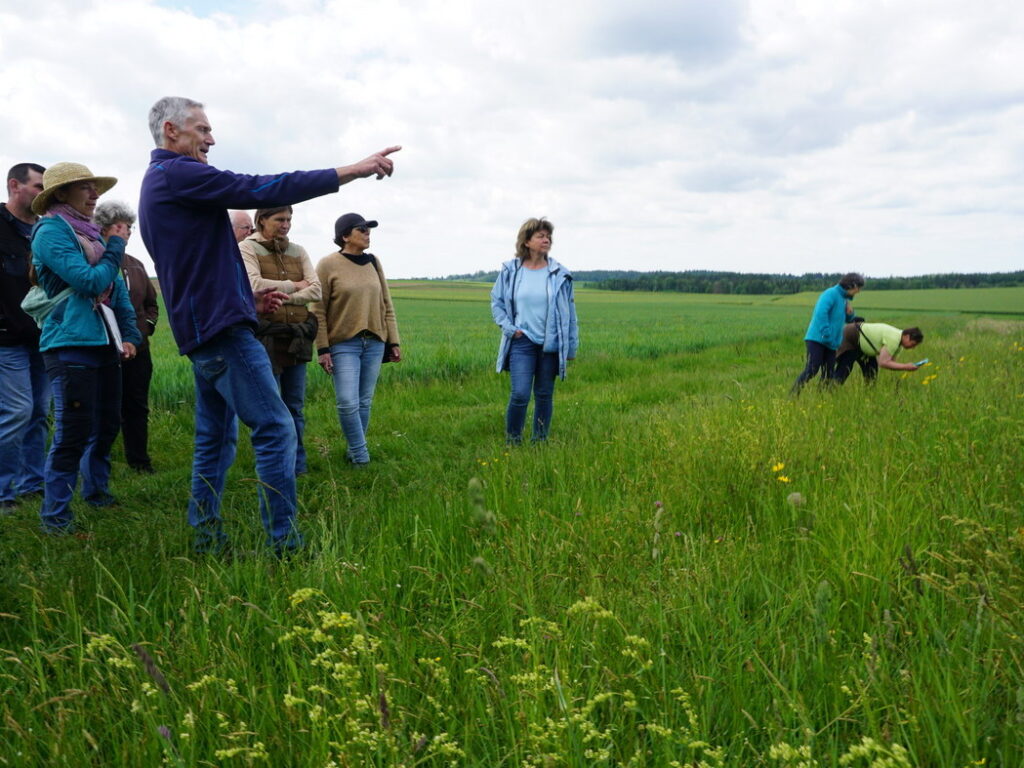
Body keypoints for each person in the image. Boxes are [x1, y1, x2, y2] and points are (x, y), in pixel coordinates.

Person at [138, 95, 399, 555]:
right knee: (277, 428)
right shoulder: (176, 173)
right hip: (222, 333)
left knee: (214, 437)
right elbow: (261, 186)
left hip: (207, 327)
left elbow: (195, 266)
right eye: (202, 129)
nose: (211, 138)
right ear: (171, 132)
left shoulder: (165, 182)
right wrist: (350, 171)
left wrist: (249, 296)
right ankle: (286, 543)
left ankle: (206, 538)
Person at [28, 163, 141, 534]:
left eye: (96, 189)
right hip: (69, 345)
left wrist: (130, 336)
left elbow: (117, 293)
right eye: (86, 189)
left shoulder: (92, 235)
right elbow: (89, 282)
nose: (95, 196)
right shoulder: (50, 232)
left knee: (107, 424)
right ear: (61, 194)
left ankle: (97, 492)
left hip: (104, 344)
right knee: (73, 431)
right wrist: (116, 246)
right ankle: (56, 516)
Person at [312, 213, 401, 466]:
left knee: (364, 402)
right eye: (361, 229)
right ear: (345, 236)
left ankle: (354, 453)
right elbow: (317, 310)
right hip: (343, 344)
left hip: (374, 342)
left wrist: (393, 342)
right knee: (347, 402)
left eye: (368, 229)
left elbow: (386, 304)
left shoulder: (373, 261)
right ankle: (361, 455)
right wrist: (322, 348)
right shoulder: (328, 265)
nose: (367, 233)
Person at [240, 206, 320, 475]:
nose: (285, 225)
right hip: (266, 338)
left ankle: (298, 466)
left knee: (295, 405)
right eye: (279, 219)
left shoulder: (298, 250)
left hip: (296, 336)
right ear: (262, 220)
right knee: (271, 408)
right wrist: (295, 286)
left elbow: (316, 290)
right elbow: (253, 287)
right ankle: (275, 465)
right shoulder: (247, 249)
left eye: (289, 219)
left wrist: (284, 294)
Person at [490, 217, 578, 444]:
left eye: (548, 236)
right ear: (527, 241)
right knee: (520, 394)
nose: (546, 239)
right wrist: (510, 329)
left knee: (544, 395)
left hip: (551, 343)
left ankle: (539, 441)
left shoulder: (560, 274)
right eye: (540, 236)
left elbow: (570, 313)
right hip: (522, 341)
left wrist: (571, 347)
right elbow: (496, 302)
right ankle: (513, 441)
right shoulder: (511, 271)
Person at [94, 201, 159, 473]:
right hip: (104, 349)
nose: (127, 232)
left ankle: (139, 461)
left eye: (129, 227)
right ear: (103, 229)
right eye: (120, 226)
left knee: (137, 406)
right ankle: (99, 463)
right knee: (103, 408)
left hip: (139, 350)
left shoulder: (137, 264)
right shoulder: (95, 262)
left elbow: (152, 305)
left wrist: (145, 330)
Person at [1, 163, 49, 514]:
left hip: (42, 337)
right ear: (14, 185)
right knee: (17, 411)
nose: (42, 194)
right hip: (6, 338)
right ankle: (4, 490)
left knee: (38, 412)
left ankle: (34, 483)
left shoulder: (45, 231)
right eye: (37, 186)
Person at [791, 272, 864, 394]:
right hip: (817, 339)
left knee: (829, 372)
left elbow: (848, 319)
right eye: (859, 288)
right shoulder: (830, 294)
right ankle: (794, 394)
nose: (859, 291)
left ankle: (822, 397)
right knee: (812, 369)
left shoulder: (844, 300)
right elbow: (821, 313)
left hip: (831, 342)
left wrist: (851, 313)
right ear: (852, 285)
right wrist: (826, 333)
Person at [834, 323, 924, 384]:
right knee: (845, 368)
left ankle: (868, 395)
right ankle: (826, 391)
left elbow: (891, 363)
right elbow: (883, 363)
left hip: (861, 341)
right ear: (907, 337)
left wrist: (907, 367)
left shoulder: (899, 344)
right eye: (913, 344)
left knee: (871, 372)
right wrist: (906, 367)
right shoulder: (894, 339)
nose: (913, 347)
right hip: (851, 336)